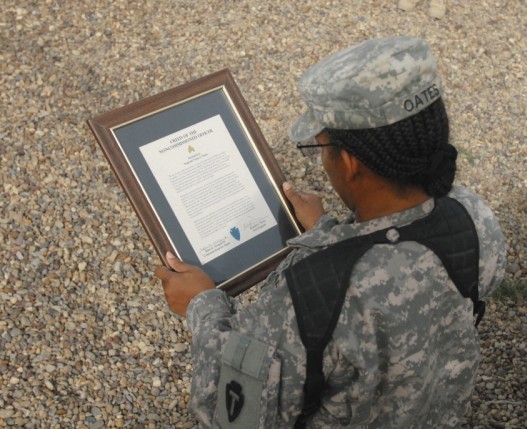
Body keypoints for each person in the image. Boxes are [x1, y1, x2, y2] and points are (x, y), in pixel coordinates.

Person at [156, 36, 507, 428]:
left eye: (320, 147)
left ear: (350, 161)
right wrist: (327, 233)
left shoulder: (311, 295)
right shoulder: (473, 216)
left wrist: (202, 305)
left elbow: (231, 414)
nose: (322, 160)